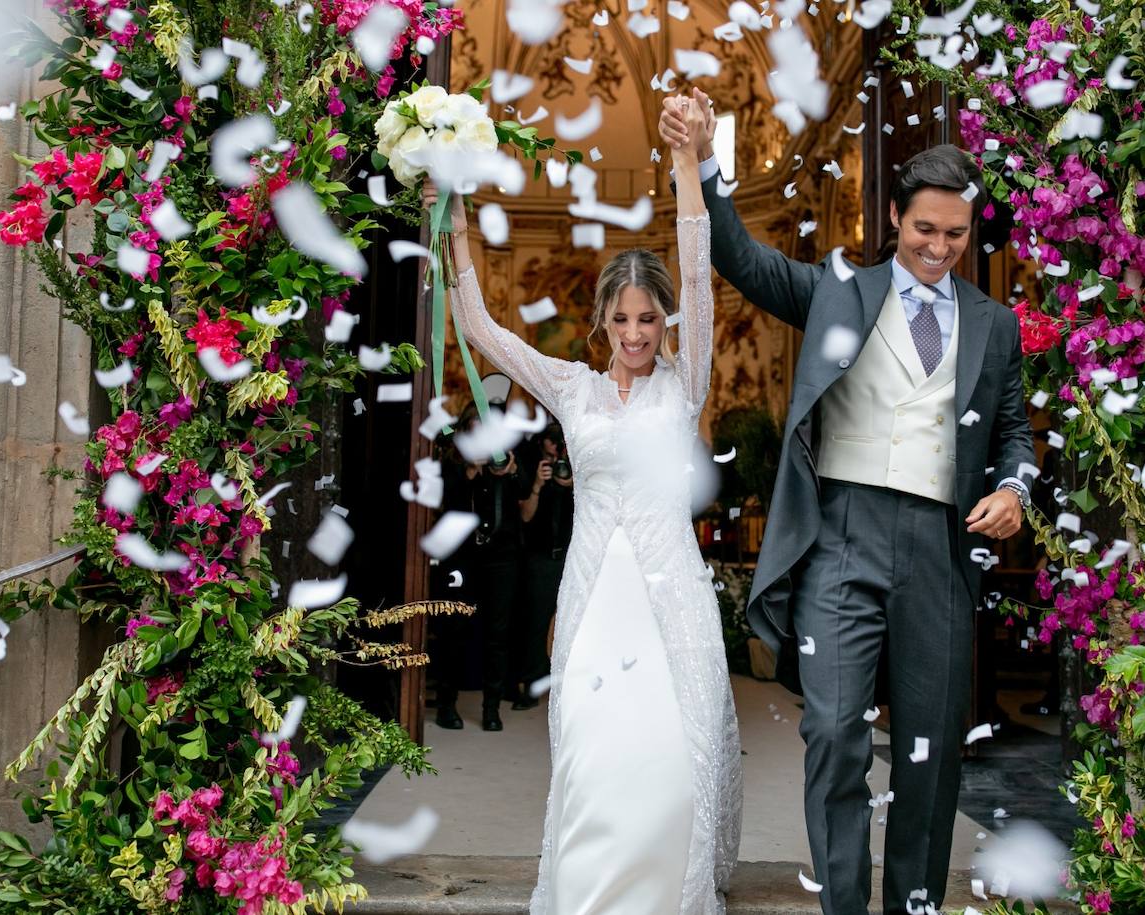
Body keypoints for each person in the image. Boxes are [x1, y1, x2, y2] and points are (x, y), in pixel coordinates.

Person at [660, 93, 1036, 915]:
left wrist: (1014, 488)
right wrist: (706, 160)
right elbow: (744, 257)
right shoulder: (838, 291)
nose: (938, 248)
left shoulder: (995, 325)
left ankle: (912, 905)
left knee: (929, 754)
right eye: (924, 229)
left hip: (939, 547)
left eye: (956, 234)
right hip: (840, 536)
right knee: (833, 732)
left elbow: (1015, 434)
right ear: (895, 216)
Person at [423, 96, 742, 913]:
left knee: (674, 755)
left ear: (664, 320)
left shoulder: (689, 381)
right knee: (598, 757)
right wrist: (454, 223)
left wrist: (685, 164)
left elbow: (698, 264)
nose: (636, 332)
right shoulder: (575, 389)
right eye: (622, 317)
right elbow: (484, 331)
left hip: (672, 591)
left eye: (648, 317)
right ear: (601, 321)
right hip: (597, 596)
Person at [432, 402, 528, 732]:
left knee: (498, 635)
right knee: (453, 630)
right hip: (461, 555)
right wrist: (470, 472)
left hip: (501, 555)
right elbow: (442, 501)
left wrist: (512, 472)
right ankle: (446, 705)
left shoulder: (506, 454)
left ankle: (491, 709)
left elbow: (528, 491)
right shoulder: (451, 459)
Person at [510, 423, 574, 711]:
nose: (556, 446)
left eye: (560, 441)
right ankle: (532, 683)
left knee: (574, 624)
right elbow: (525, 516)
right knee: (535, 623)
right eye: (552, 440)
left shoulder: (579, 470)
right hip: (541, 557)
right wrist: (537, 484)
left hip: (573, 557)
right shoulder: (533, 468)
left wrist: (576, 483)